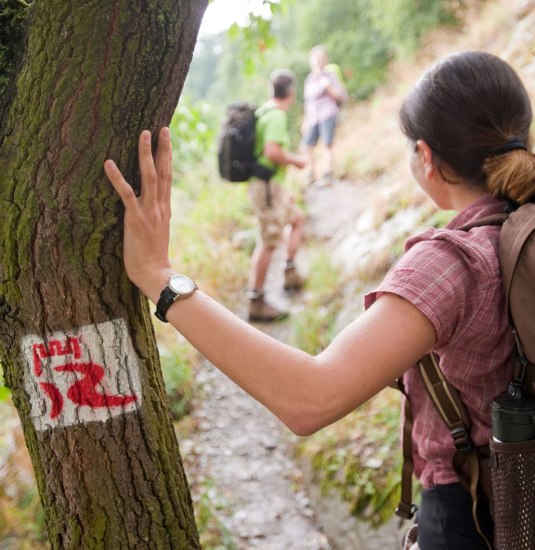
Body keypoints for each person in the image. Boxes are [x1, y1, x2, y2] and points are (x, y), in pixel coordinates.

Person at [104, 51, 535, 549]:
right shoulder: (518, 230)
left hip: (472, 514)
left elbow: (310, 399)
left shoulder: (452, 263)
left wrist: (158, 277)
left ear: (425, 157)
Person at [245, 69, 307, 322]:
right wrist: (296, 161)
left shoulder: (263, 112)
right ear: (290, 93)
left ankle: (289, 275)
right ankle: (256, 302)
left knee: (297, 218)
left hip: (272, 186)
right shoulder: (277, 116)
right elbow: (272, 152)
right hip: (267, 187)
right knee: (269, 241)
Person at [301, 45, 347, 184]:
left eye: (323, 57)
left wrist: (327, 87)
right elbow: (307, 102)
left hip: (328, 113)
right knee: (307, 145)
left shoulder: (331, 76)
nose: (320, 60)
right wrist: (305, 120)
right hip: (313, 117)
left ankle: (328, 173)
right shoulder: (309, 80)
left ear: (326, 60)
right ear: (311, 60)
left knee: (327, 144)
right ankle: (311, 173)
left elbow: (341, 96)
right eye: (317, 57)